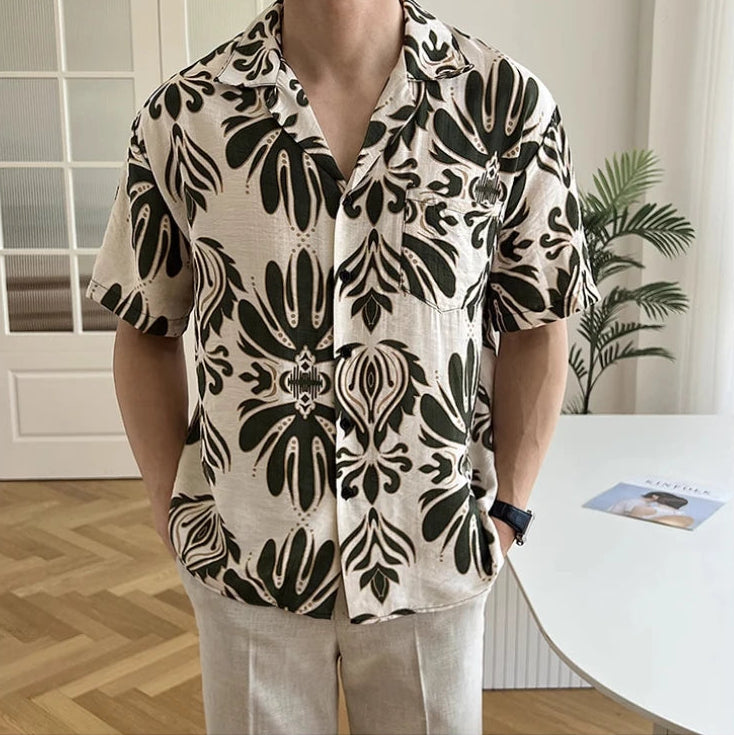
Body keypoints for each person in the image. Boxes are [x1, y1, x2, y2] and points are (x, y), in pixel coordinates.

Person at [86, 0, 600, 732]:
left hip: (433, 554)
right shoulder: (184, 117)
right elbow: (144, 328)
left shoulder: (506, 108)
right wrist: (173, 509)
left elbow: (539, 320)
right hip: (247, 563)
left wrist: (509, 512)